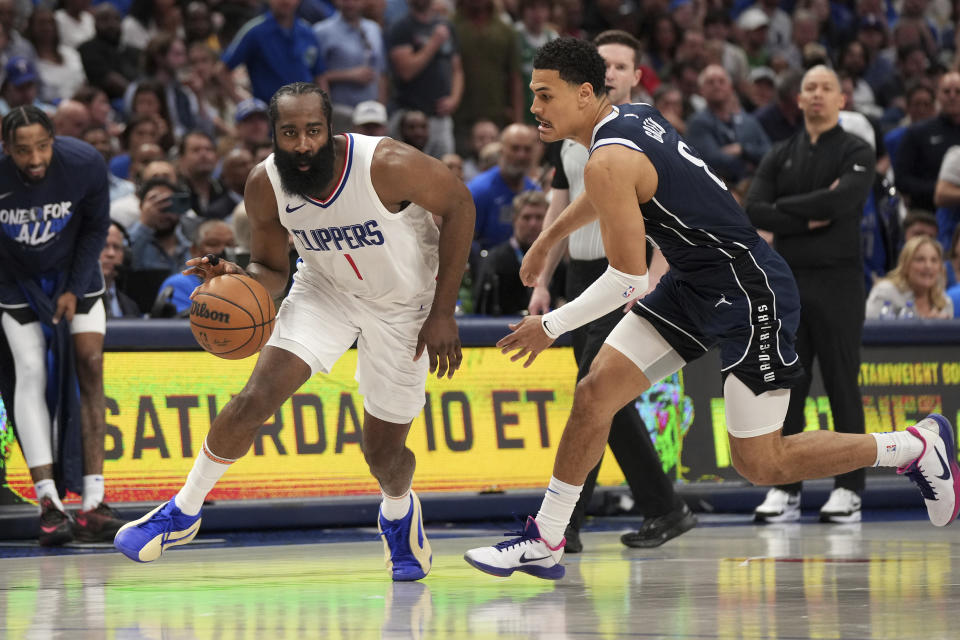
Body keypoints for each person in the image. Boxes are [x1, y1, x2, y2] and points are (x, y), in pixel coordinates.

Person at [463, 38, 958, 581]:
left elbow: (626, 278)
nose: (534, 106)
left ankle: (912, 447)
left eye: (544, 94)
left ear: (584, 94)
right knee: (594, 392)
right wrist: (547, 240)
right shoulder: (632, 119)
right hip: (692, 281)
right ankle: (547, 538)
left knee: (760, 462)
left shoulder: (607, 158)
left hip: (749, 291)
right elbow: (608, 191)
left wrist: (551, 326)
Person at [114, 83, 475, 581]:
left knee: (383, 453)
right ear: (273, 135)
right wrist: (237, 279)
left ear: (330, 129)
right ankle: (183, 510)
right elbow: (270, 267)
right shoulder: (266, 184)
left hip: (405, 305)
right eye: (290, 133)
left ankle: (398, 511)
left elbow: (461, 205)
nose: (303, 144)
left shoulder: (386, 163)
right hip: (324, 288)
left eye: (312, 131)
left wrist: (443, 311)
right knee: (254, 399)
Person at [528, 29, 695, 553]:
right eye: (605, 64)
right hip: (580, 272)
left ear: (635, 76)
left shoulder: (641, 130)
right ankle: (664, 507)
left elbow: (672, 209)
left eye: (621, 66)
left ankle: (566, 523)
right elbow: (563, 205)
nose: (612, 72)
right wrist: (543, 278)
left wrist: (651, 275)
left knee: (595, 391)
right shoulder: (573, 137)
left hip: (622, 272)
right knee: (602, 399)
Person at [745, 65, 876, 524]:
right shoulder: (779, 154)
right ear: (798, 100)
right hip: (788, 281)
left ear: (842, 99)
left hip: (840, 281)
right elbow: (753, 209)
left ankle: (850, 488)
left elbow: (841, 203)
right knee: (787, 388)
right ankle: (786, 489)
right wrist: (808, 213)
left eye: (827, 88)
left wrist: (784, 213)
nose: (817, 95)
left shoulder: (857, 150)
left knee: (843, 384)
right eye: (810, 89)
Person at [0, 105, 126, 546]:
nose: (34, 159)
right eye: (21, 151)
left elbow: (95, 229)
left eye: (41, 147)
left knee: (91, 365)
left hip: (76, 269)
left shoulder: (85, 162)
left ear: (53, 140)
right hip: (15, 279)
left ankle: (94, 501)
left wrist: (72, 287)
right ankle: (49, 504)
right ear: (6, 149)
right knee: (31, 369)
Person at [468, 123, 540, 251]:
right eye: (515, 148)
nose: (521, 155)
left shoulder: (535, 190)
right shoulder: (479, 191)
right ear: (502, 151)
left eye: (527, 149)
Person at [865, 235, 954, 319]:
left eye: (934, 260)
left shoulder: (944, 302)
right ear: (906, 265)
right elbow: (869, 331)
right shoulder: (886, 292)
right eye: (920, 259)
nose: (928, 266)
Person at [99, 221, 141, 318]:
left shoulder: (131, 306)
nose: (111, 254)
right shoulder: (73, 300)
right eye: (103, 246)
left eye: (116, 247)